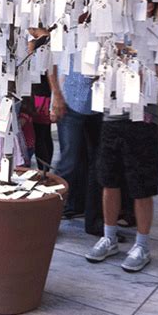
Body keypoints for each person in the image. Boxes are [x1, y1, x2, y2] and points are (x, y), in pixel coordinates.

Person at [85, 0, 158, 272]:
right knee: (109, 179)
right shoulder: (111, 34)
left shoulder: (157, 33)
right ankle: (109, 237)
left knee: (142, 183)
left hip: (142, 119)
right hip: (111, 117)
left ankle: (142, 244)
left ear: (151, 6)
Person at [49, 58, 104, 234]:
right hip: (69, 101)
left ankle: (94, 221)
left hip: (99, 103)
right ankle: (47, 219)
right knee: (68, 163)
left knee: (98, 165)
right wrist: (56, 95)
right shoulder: (67, 30)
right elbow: (52, 60)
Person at [28, 28, 54, 170]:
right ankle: (46, 168)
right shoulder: (52, 40)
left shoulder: (37, 44)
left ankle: (43, 169)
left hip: (37, 95)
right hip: (46, 95)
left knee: (39, 136)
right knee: (45, 134)